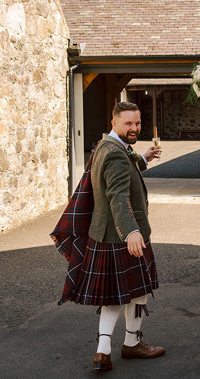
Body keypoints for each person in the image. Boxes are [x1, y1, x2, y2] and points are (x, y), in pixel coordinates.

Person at [52, 101, 164, 372]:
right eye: (128, 123)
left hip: (102, 234)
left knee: (112, 297)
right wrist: (132, 231)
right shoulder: (114, 153)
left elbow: (123, 167)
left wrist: (144, 159)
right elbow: (118, 195)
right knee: (138, 293)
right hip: (122, 235)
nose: (134, 128)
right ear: (114, 123)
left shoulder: (105, 146)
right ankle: (132, 343)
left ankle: (103, 352)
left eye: (137, 123)